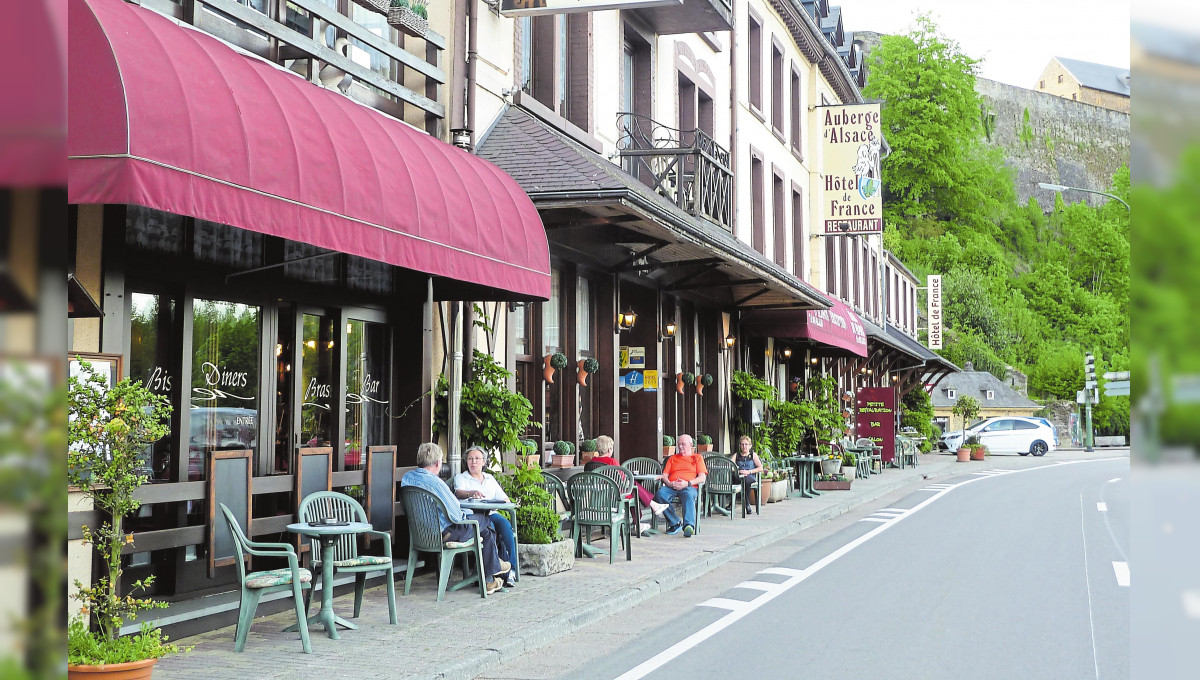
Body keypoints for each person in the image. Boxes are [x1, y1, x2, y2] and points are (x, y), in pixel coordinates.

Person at [401, 442, 511, 594]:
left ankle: (492, 574)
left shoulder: (407, 478)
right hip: (446, 534)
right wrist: (469, 517)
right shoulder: (436, 483)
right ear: (438, 463)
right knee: (485, 523)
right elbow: (456, 515)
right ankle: (493, 570)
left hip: (421, 535)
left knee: (483, 528)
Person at [453, 446, 517, 588]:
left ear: (484, 462)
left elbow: (505, 499)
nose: (473, 462)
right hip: (473, 516)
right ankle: (492, 574)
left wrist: (499, 503)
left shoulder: (489, 478)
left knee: (505, 526)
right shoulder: (462, 477)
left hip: (491, 513)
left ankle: (511, 569)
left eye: (477, 459)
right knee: (491, 529)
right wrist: (471, 493)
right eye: (470, 459)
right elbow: (459, 493)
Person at [584, 435, 668, 535]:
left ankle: (647, 514)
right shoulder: (612, 462)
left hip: (599, 497)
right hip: (615, 497)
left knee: (633, 488)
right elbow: (622, 481)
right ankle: (641, 519)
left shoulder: (591, 463)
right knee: (634, 488)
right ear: (610, 449)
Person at [653, 434, 707, 537]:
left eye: (683, 444)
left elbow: (702, 478)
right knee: (660, 494)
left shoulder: (697, 458)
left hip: (689, 486)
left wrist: (687, 483)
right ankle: (675, 522)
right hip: (672, 486)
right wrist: (669, 483)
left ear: (691, 445)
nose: (680, 446)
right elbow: (664, 475)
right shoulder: (672, 458)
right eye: (679, 444)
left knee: (687, 495)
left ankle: (688, 526)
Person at [732, 435, 764, 515]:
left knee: (746, 481)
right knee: (742, 480)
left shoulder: (753, 455)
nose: (744, 446)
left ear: (750, 446)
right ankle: (747, 504)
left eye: (746, 444)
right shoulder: (736, 455)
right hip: (739, 476)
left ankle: (745, 504)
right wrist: (738, 471)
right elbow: (729, 466)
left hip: (750, 477)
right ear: (740, 445)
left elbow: (760, 468)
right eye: (742, 444)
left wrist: (749, 472)